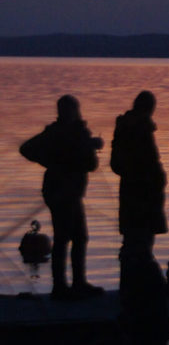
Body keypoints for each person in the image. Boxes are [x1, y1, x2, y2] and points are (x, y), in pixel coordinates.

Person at [19, 95, 104, 299]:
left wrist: (51, 160)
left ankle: (72, 285)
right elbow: (90, 164)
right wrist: (87, 147)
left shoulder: (57, 132)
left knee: (72, 237)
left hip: (63, 192)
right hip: (63, 193)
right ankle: (65, 287)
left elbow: (27, 149)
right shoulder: (71, 133)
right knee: (70, 238)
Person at [110, 90, 167, 257]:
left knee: (131, 240)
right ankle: (141, 279)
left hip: (129, 191)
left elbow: (117, 164)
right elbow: (151, 161)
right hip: (145, 194)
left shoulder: (123, 128)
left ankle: (129, 279)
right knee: (143, 242)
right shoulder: (142, 128)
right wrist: (158, 179)